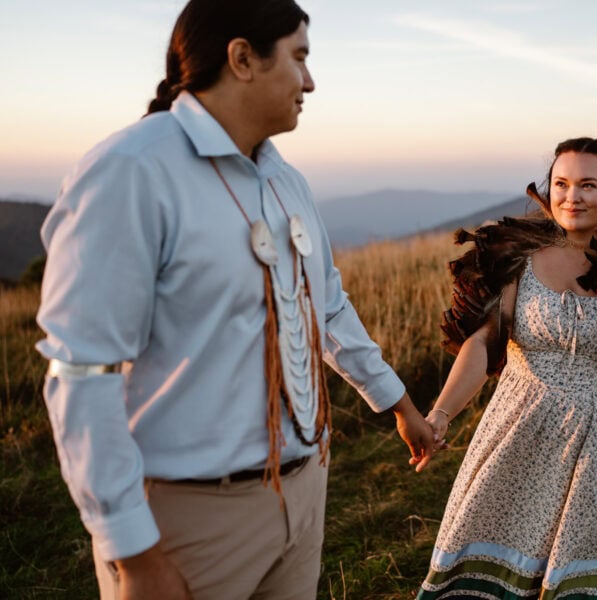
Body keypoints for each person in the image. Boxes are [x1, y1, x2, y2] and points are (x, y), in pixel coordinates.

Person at [35, 1, 433, 598]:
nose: (310, 81)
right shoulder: (130, 172)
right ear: (242, 58)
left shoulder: (286, 182)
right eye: (299, 58)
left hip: (304, 493)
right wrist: (135, 553)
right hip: (189, 519)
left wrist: (398, 403)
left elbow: (326, 308)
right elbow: (80, 372)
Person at [415, 137, 597, 599]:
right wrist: (441, 414)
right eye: (561, 184)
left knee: (573, 583)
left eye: (588, 185)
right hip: (519, 433)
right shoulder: (516, 258)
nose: (572, 197)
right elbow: (483, 345)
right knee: (484, 566)